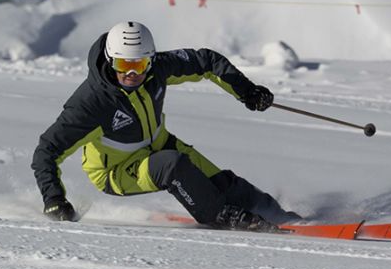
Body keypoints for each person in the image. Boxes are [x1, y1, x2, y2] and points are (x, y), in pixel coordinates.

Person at [31, 21, 300, 231]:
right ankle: (219, 214)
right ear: (111, 60)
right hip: (117, 171)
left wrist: (247, 91)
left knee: (225, 184)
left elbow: (206, 61)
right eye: (123, 64)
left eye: (139, 65)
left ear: (150, 60)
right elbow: (46, 150)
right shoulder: (91, 103)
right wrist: (54, 199)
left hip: (160, 145)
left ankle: (283, 217)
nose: (132, 74)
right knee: (172, 166)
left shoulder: (157, 70)